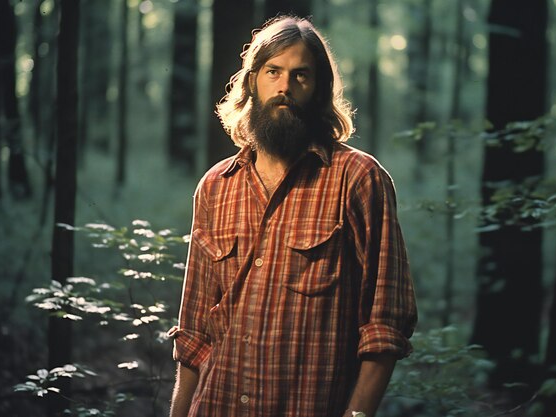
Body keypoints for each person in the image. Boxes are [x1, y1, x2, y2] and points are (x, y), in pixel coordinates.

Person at [168, 15, 417, 417]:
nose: (285, 87)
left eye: (301, 75)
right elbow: (194, 334)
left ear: (318, 90)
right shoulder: (215, 187)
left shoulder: (358, 180)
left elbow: (385, 321)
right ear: (253, 82)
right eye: (273, 72)